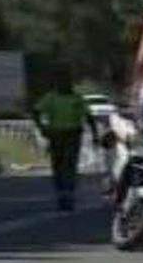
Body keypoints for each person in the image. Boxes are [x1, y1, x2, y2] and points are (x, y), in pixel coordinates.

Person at [33, 68, 98, 211]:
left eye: (66, 81)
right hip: (56, 135)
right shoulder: (51, 98)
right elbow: (36, 111)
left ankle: (69, 195)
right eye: (61, 81)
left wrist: (95, 135)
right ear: (57, 83)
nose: (64, 84)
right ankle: (61, 194)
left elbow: (89, 117)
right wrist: (42, 128)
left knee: (69, 165)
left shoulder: (77, 98)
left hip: (73, 135)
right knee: (57, 166)